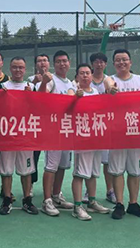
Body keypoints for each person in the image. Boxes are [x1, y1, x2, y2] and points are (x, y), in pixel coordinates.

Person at [108, 49, 140, 219]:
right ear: (114, 64)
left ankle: (133, 203)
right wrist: (110, 90)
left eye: (124, 59)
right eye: (118, 60)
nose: (121, 63)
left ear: (130, 62)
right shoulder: (110, 79)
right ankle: (119, 203)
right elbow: (108, 88)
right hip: (117, 132)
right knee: (117, 170)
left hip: (136, 131)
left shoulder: (139, 79)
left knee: (135, 170)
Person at [0, 57, 39, 215]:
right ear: (10, 68)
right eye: (15, 67)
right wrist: (1, 97)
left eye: (21, 67)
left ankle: (27, 200)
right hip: (7, 134)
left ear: (25, 69)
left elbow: (37, 109)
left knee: (26, 170)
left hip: (25, 135)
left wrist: (30, 97)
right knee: (6, 170)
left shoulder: (31, 87)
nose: (18, 70)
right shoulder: (2, 86)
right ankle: (7, 199)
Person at [69, 64, 110, 220]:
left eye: (87, 73)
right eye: (82, 73)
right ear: (77, 76)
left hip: (96, 137)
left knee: (93, 173)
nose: (85, 76)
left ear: (92, 76)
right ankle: (77, 206)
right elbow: (67, 106)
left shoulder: (96, 92)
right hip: (82, 138)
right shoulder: (73, 90)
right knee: (80, 173)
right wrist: (75, 98)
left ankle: (91, 202)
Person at [39, 50, 76, 216]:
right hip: (53, 130)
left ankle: (56, 196)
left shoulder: (72, 84)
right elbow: (41, 97)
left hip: (67, 129)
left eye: (65, 61)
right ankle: (46, 200)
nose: (62, 64)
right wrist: (43, 83)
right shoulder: (51, 80)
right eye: (59, 61)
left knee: (62, 166)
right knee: (51, 166)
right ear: (54, 64)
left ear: (69, 63)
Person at [89, 52, 117, 205]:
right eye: (96, 62)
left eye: (102, 62)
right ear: (92, 64)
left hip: (105, 126)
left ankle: (110, 190)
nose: (99, 64)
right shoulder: (85, 79)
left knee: (107, 162)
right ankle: (89, 191)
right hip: (88, 125)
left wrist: (110, 89)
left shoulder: (108, 79)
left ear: (106, 64)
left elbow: (111, 87)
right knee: (90, 160)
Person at [28, 53, 51, 189]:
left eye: (45, 60)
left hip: (52, 123)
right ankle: (30, 184)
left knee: (53, 157)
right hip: (36, 123)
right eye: (40, 61)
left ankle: (54, 189)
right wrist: (35, 83)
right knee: (34, 155)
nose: (43, 63)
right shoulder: (31, 80)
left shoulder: (55, 79)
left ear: (49, 63)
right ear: (36, 65)